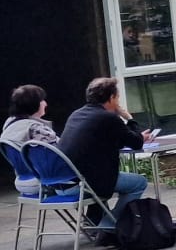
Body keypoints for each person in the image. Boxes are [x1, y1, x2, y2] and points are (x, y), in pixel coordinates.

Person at [58, 76, 167, 237]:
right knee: (139, 183)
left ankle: (95, 221)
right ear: (111, 98)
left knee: (105, 176)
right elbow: (136, 142)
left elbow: (109, 140)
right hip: (87, 183)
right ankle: (110, 225)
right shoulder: (108, 118)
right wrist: (129, 118)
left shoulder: (77, 114)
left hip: (65, 182)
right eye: (117, 98)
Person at [0, 84, 58, 151]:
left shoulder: (9, 123)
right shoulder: (35, 128)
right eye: (42, 100)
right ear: (34, 104)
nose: (45, 103)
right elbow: (60, 153)